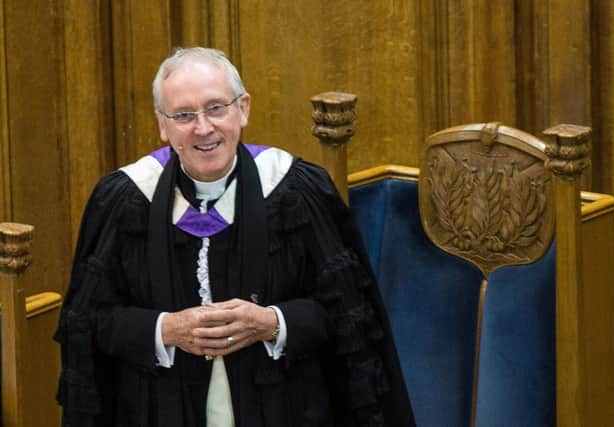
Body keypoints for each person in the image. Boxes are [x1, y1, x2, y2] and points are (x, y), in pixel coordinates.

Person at [55, 47, 415, 427]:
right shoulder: (124, 201)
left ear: (243, 109)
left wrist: (273, 323)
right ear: (163, 125)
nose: (203, 127)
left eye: (216, 108)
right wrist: (166, 330)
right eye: (183, 115)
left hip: (283, 409)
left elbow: (347, 318)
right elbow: (90, 325)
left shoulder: (296, 192)